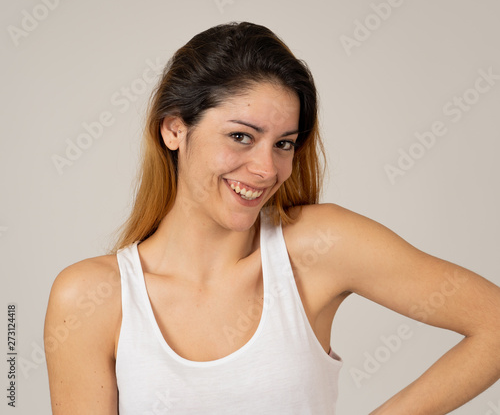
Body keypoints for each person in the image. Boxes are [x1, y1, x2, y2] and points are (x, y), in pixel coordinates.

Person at [44, 21, 500, 414]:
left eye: (284, 143)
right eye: (242, 136)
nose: (267, 169)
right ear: (174, 129)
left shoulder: (319, 246)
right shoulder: (90, 298)